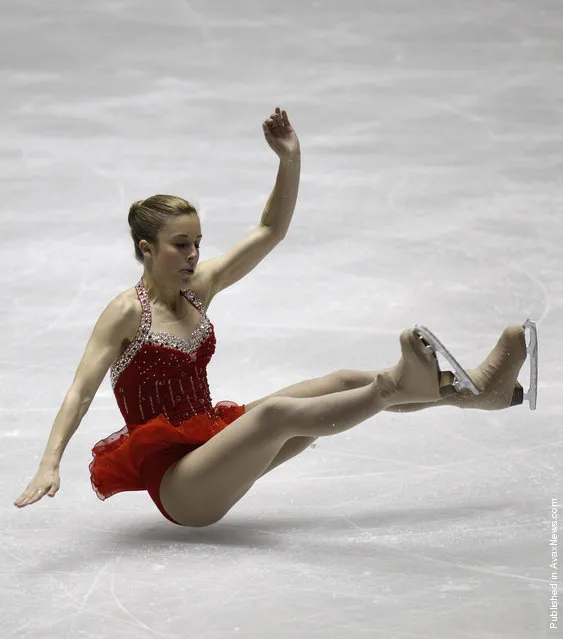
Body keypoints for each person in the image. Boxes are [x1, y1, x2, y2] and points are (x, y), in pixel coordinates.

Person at [13, 107, 538, 527]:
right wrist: (49, 461)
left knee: (340, 379)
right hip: (182, 486)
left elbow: (269, 230)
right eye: (180, 245)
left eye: (197, 242)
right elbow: (80, 390)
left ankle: (476, 391)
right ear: (147, 250)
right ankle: (396, 388)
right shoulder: (125, 313)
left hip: (214, 440)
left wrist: (290, 159)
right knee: (274, 414)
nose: (194, 254)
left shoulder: (199, 290)